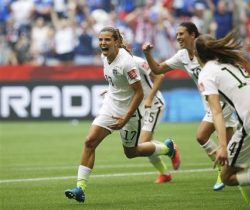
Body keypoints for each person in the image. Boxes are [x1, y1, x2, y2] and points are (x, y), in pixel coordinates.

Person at [64, 26, 180, 203]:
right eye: (101, 40)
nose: (103, 43)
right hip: (110, 107)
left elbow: (139, 93)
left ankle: (167, 148)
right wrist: (110, 90)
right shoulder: (105, 57)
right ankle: (80, 188)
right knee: (89, 141)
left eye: (107, 40)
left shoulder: (127, 62)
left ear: (116, 42)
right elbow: (117, 82)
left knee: (132, 152)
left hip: (130, 114)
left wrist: (126, 118)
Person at [142, 21, 237, 191]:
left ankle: (223, 170)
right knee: (232, 148)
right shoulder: (182, 56)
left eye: (181, 33)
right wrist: (147, 53)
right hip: (210, 102)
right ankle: (243, 172)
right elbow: (157, 69)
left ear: (193, 35)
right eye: (177, 34)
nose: (178, 37)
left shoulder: (207, 51)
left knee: (201, 136)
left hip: (225, 99)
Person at [194, 31, 250, 209]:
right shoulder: (231, 63)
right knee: (245, 168)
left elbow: (216, 112)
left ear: (197, 54)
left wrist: (222, 146)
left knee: (227, 177)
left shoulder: (207, 73)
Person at [133, 55, 178, 183]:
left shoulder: (137, 62)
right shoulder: (116, 63)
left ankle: (170, 149)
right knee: (146, 146)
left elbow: (160, 75)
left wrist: (150, 98)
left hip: (153, 105)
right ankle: (165, 174)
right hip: (141, 107)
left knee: (141, 145)